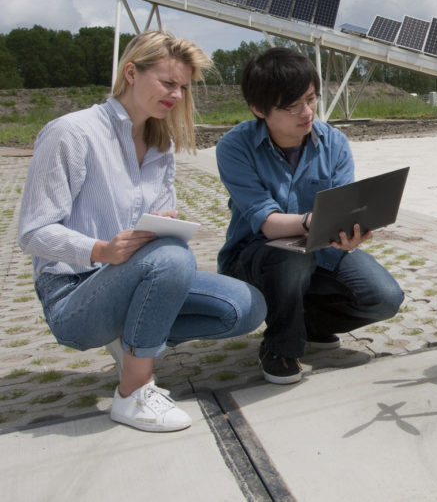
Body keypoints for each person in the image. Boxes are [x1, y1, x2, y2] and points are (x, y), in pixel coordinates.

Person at [18, 30, 267, 433]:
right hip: (73, 294)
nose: (176, 95)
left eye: (183, 88)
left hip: (136, 278)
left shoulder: (160, 144)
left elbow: (154, 234)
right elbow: (32, 232)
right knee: (171, 257)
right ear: (131, 73)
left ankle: (135, 340)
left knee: (247, 306)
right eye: (168, 83)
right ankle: (133, 392)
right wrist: (101, 249)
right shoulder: (72, 133)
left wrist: (164, 223)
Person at [216, 47, 404, 385]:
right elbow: (268, 223)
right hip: (254, 255)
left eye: (311, 98)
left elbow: (345, 205)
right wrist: (311, 221)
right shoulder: (235, 147)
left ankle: (308, 325)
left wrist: (350, 234)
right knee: (292, 257)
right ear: (258, 109)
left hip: (322, 250)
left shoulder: (334, 142)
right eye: (292, 106)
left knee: (385, 297)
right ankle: (280, 348)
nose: (307, 112)